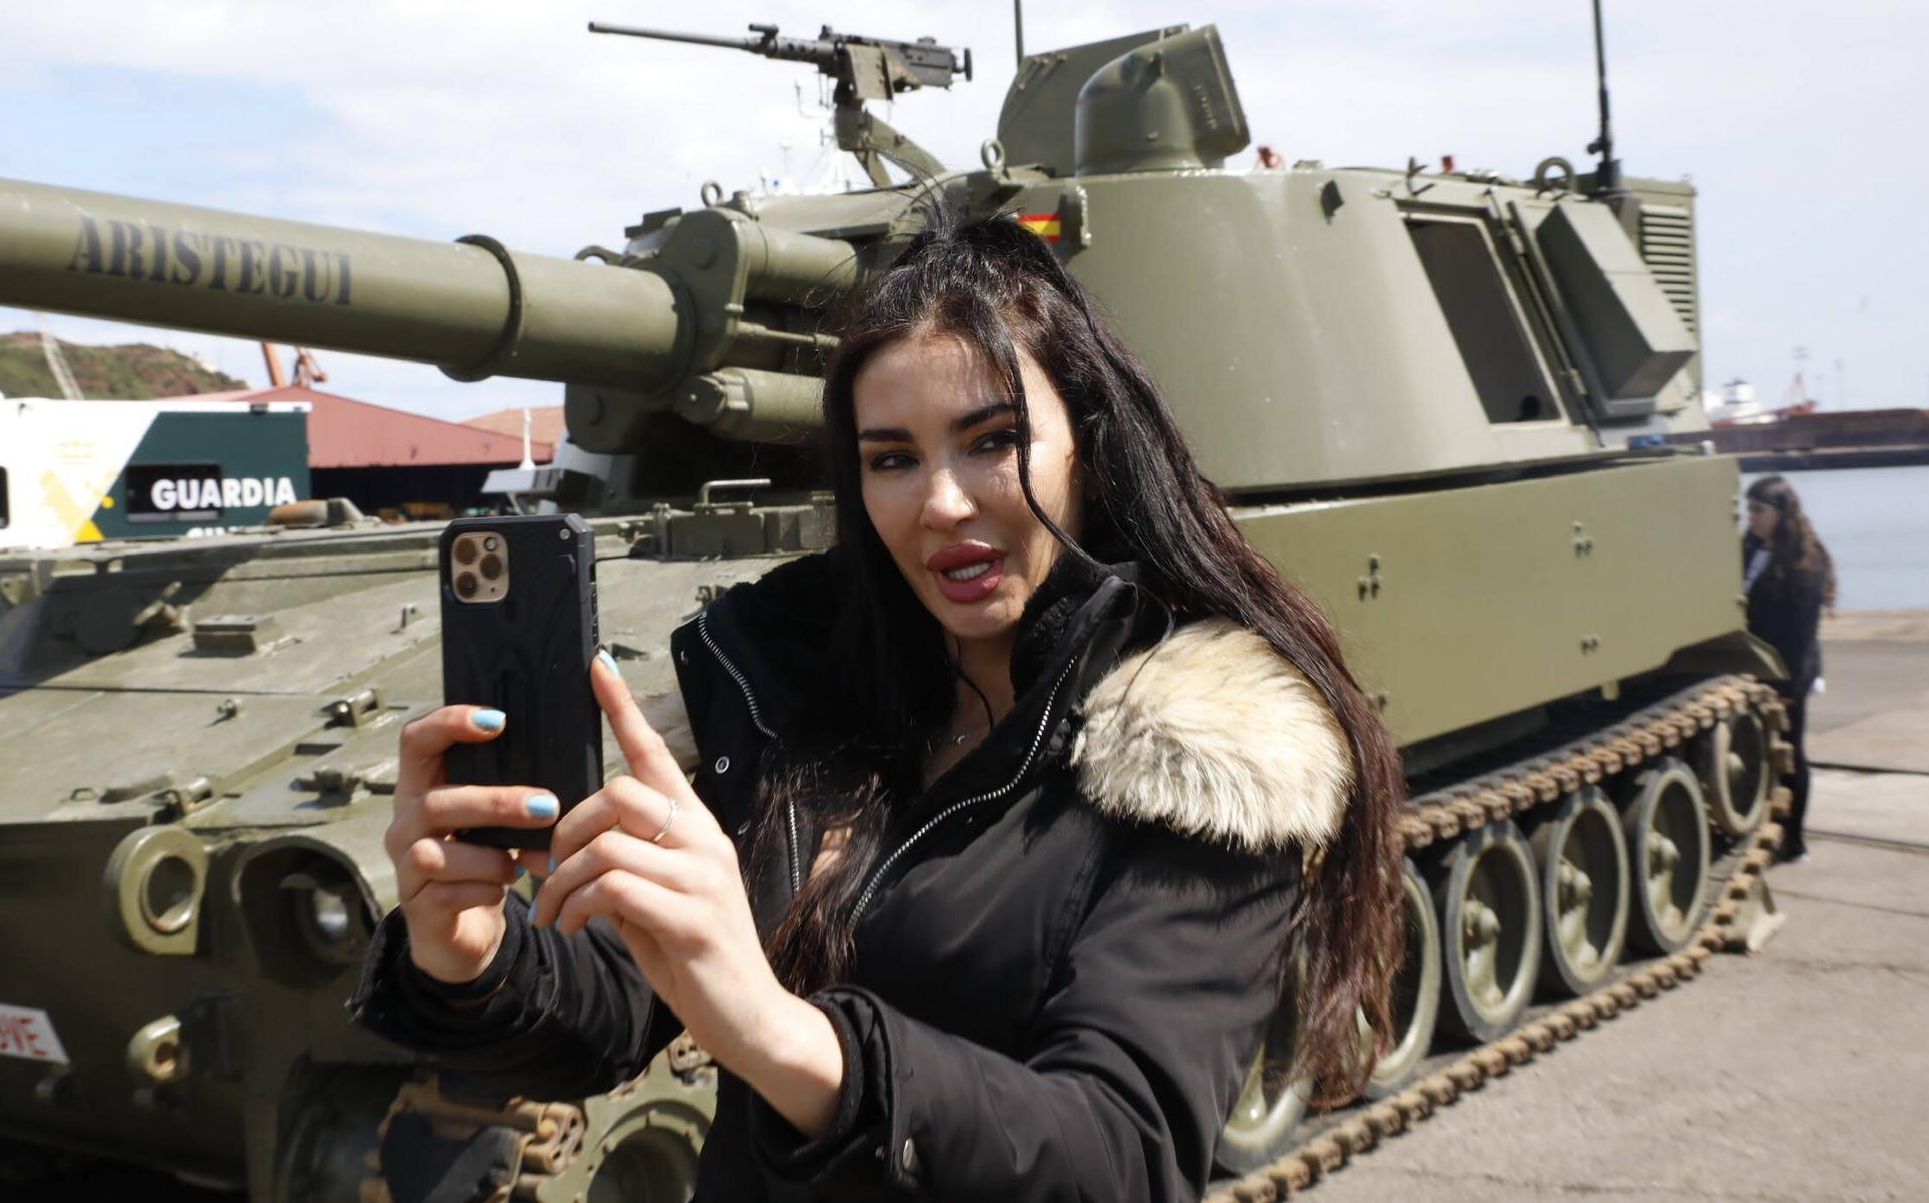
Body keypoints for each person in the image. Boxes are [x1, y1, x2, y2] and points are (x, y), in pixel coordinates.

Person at [350, 215, 1407, 1200]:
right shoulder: (788, 689)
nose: (940, 501)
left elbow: (1117, 1154)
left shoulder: (1203, 747)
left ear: (1084, 439)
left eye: (990, 440)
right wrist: (470, 951)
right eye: (891, 458)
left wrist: (778, 1030)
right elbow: (624, 1003)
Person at [1742, 474, 1837, 863]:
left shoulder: (1805, 560)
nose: (1752, 517)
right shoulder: (1750, 548)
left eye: (1759, 510)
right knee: (1760, 754)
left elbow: (1801, 634)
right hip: (1752, 668)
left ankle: (1794, 840)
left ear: (1782, 514)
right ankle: (1767, 828)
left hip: (1787, 672)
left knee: (1792, 754)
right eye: (1749, 509)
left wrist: (1787, 685)